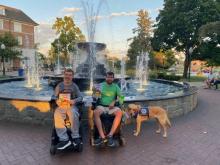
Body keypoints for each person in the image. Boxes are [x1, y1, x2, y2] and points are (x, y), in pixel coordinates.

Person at [53, 68, 83, 150]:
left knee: (73, 113)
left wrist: (74, 100)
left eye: (70, 75)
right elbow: (54, 96)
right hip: (61, 106)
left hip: (71, 106)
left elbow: (81, 97)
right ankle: (64, 139)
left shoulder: (75, 86)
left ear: (72, 76)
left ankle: (75, 136)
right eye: (66, 74)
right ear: (64, 75)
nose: (68, 76)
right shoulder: (59, 86)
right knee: (57, 114)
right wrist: (57, 100)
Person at [93, 71, 123, 147]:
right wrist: (95, 92)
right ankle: (102, 136)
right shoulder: (100, 85)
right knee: (96, 112)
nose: (109, 78)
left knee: (119, 112)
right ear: (105, 77)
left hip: (111, 107)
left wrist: (114, 101)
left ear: (113, 78)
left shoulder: (116, 86)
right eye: (108, 77)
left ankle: (110, 135)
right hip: (102, 106)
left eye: (111, 77)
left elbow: (121, 98)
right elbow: (95, 98)